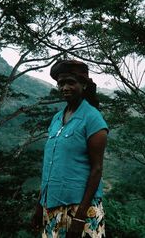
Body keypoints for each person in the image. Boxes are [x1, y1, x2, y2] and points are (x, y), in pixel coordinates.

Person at [32, 60, 109, 238]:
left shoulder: (93, 119)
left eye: (70, 82)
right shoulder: (57, 118)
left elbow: (97, 169)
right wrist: (39, 206)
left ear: (84, 84)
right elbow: (50, 168)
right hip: (51, 208)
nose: (64, 87)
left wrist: (80, 218)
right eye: (61, 83)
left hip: (81, 210)